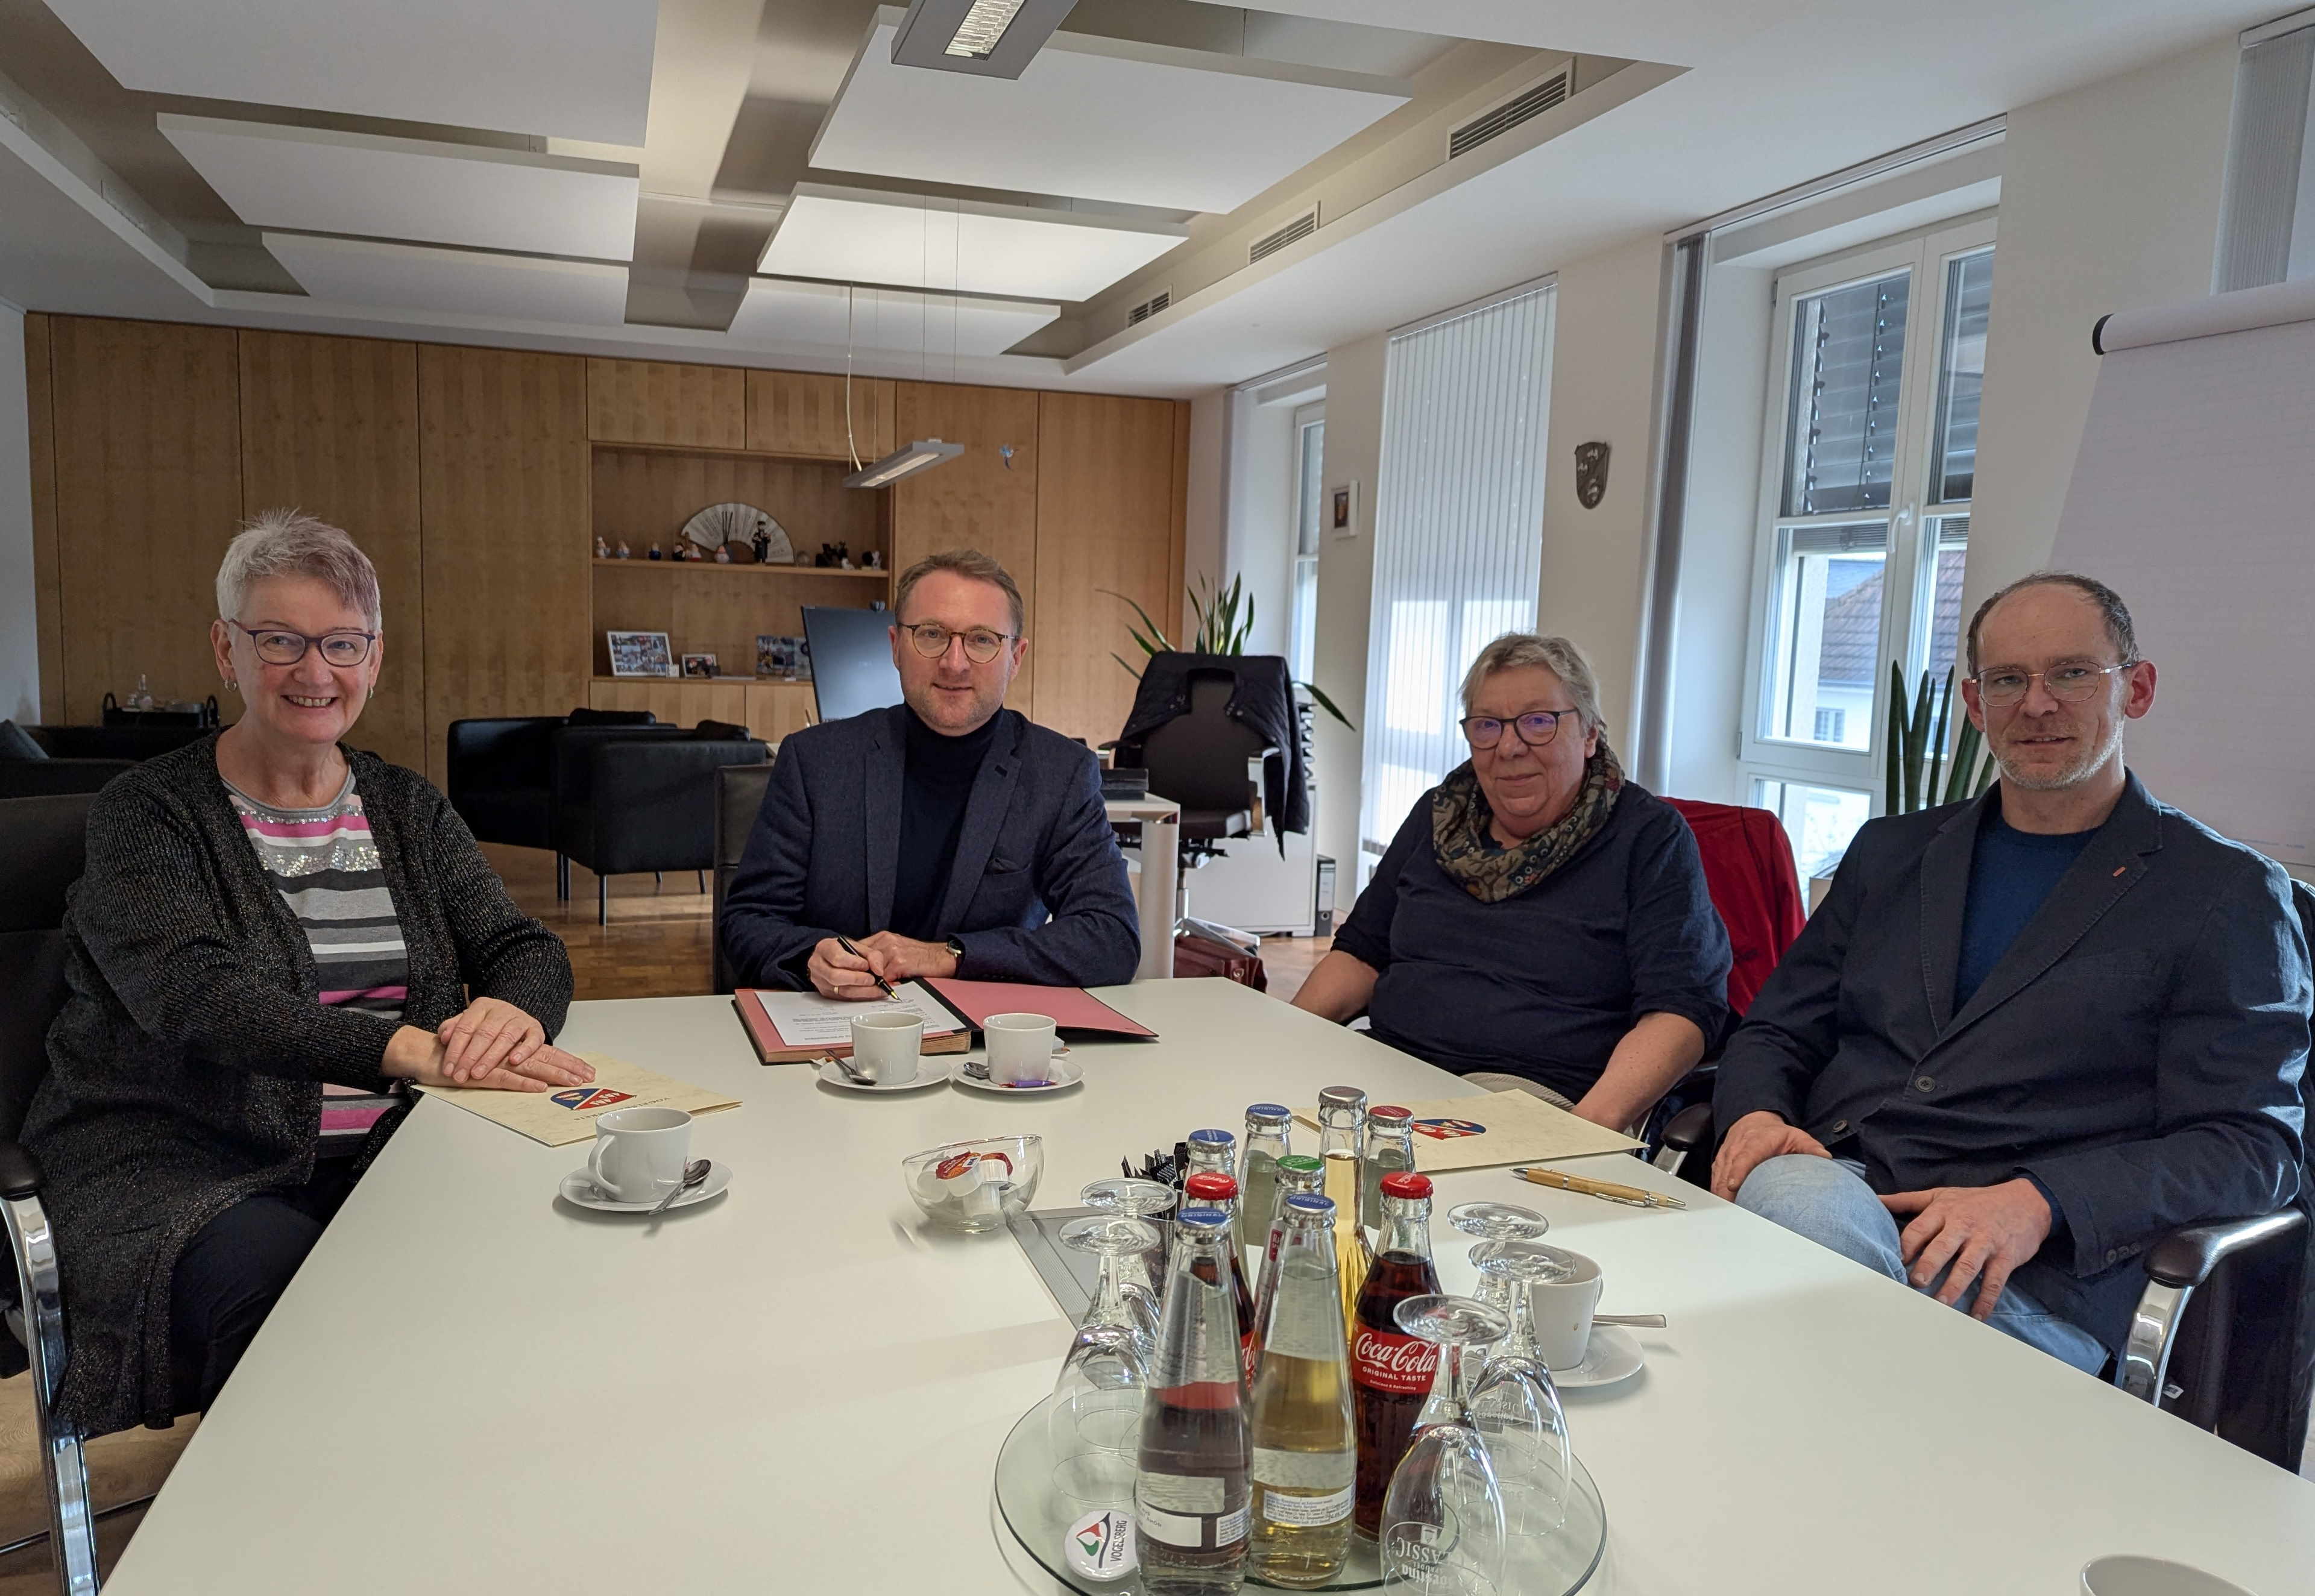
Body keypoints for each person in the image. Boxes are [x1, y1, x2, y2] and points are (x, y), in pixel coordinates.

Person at [24, 511, 591, 1437]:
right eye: (280, 640)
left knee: (558, 1250)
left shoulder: (406, 806)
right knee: (301, 1304)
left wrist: (512, 1015)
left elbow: (522, 945)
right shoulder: (148, 813)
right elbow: (197, 997)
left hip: (395, 1146)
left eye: (342, 644)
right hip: (182, 1155)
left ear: (373, 658)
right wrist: (405, 1049)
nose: (315, 672)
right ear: (226, 648)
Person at [1712, 571, 2308, 1374]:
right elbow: (1779, 1027)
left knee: (1786, 1316)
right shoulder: (1892, 853)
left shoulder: (2225, 892)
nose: (2036, 704)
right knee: (1790, 1206)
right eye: (2007, 680)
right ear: (1973, 703)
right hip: (1844, 1199)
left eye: (2071, 673)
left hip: (2031, 1279)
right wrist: (1755, 1113)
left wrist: (2044, 1201)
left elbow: (2253, 1146)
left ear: (2137, 689)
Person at [1293, 634, 1730, 1130]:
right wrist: (1284, 1038)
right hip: (1390, 1071)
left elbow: (1681, 1011)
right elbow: (1361, 954)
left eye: (1538, 722)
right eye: (1487, 725)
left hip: (1529, 1096)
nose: (1509, 746)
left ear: (1590, 733)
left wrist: (1585, 1130)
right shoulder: (1439, 816)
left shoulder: (1648, 837)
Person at [720, 548, 1139, 995]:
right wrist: (810, 957)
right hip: (835, 1029)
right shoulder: (816, 761)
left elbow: (1111, 936)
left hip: (984, 1044)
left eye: (981, 640)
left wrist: (948, 956)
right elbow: (748, 921)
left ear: (1015, 657)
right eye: (932, 634)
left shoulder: (1061, 774)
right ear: (896, 646)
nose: (954, 663)